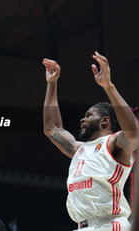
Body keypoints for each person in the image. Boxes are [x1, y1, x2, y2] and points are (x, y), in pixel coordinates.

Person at [43, 51, 139, 231]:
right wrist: (52, 84)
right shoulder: (78, 149)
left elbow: (133, 132)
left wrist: (108, 86)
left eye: (89, 115)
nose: (82, 119)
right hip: (82, 226)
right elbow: (52, 129)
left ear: (105, 121)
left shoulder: (114, 144)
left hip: (110, 224)